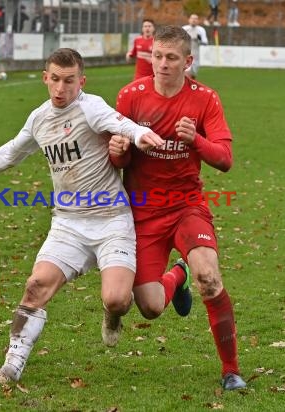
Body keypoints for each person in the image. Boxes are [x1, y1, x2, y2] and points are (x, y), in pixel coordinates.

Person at [0, 48, 164, 385]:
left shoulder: (90, 107)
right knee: (35, 286)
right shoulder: (39, 118)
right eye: (54, 79)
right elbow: (12, 152)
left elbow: (121, 124)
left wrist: (141, 135)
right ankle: (10, 369)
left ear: (80, 81)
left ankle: (113, 315)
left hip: (111, 221)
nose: (60, 88)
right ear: (45, 78)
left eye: (69, 81)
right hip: (68, 223)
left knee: (116, 299)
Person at [109, 25, 246, 391]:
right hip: (143, 211)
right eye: (157, 56)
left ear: (188, 61)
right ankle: (177, 275)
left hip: (187, 205)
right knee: (151, 307)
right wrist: (118, 153)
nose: (163, 64)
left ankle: (231, 370)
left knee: (211, 278)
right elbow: (117, 161)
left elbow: (226, 159)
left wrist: (195, 139)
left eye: (172, 58)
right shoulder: (130, 97)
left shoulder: (205, 99)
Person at [182, 14, 208, 79]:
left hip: (196, 56)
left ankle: (191, 88)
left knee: (193, 75)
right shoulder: (184, 28)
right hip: (185, 55)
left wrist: (199, 40)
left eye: (195, 19)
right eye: (192, 18)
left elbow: (205, 42)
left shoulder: (201, 30)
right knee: (187, 74)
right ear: (189, 20)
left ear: (198, 21)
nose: (194, 20)